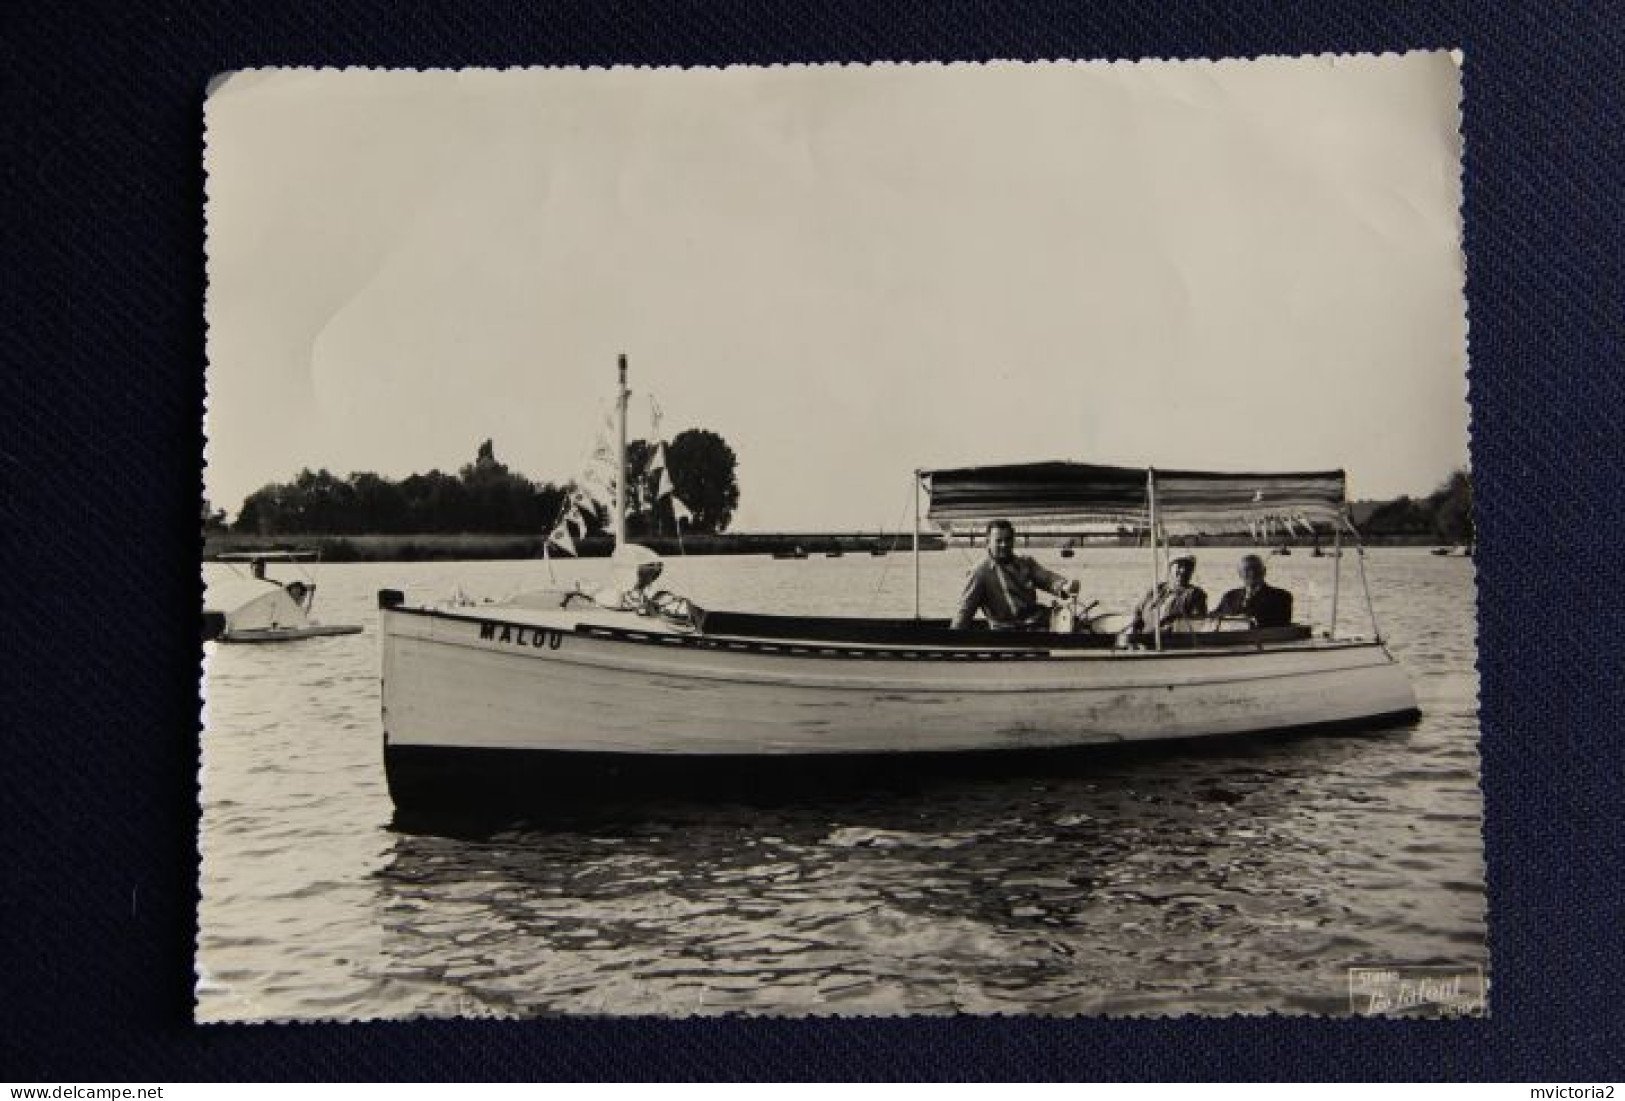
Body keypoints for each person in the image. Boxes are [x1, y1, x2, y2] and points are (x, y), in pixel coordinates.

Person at [951, 519, 1079, 631]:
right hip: (1006, 631)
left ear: (1013, 540)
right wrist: (954, 638)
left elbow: (1047, 578)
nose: (1004, 545)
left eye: (1008, 540)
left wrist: (1065, 586)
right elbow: (965, 609)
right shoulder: (979, 572)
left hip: (1036, 623)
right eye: (999, 541)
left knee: (1074, 621)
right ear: (987, 542)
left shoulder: (1025, 562)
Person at [1210, 553, 1294, 628]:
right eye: (1247, 570)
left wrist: (1245, 620)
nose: (1252, 573)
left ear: (1264, 571)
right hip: (1231, 642)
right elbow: (1213, 617)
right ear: (1240, 574)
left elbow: (1281, 625)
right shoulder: (1229, 597)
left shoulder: (1281, 597)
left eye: (1256, 568)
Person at [1129, 555, 1208, 633]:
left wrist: (1175, 619)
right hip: (1145, 637)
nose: (1183, 570)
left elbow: (1199, 621)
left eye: (1188, 567)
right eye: (1179, 566)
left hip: (1172, 640)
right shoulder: (1157, 589)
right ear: (1170, 569)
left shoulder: (1195, 594)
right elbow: (1138, 611)